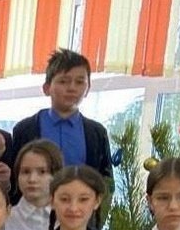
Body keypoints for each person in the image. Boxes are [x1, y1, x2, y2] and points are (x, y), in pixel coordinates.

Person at [8, 49, 112, 183]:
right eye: (63, 81)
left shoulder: (97, 132)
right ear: (46, 88)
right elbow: (15, 178)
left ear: (88, 89)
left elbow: (106, 181)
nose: (72, 88)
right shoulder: (24, 129)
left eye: (79, 82)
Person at [3, 139, 63, 230]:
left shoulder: (68, 218)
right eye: (26, 172)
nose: (32, 179)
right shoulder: (5, 219)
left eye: (42, 172)